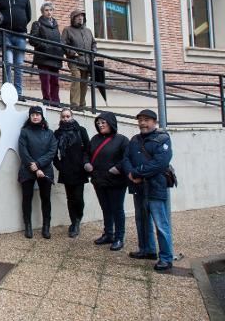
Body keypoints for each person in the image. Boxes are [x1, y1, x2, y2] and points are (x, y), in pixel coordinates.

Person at [122, 109, 175, 271]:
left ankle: (166, 258)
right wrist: (130, 173)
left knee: (161, 224)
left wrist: (137, 173)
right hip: (138, 187)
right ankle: (147, 250)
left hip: (156, 187)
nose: (143, 123)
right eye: (140, 120)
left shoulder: (163, 139)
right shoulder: (134, 140)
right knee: (141, 220)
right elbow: (126, 159)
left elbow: (160, 163)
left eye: (147, 120)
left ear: (154, 122)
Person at [84, 112, 129, 251]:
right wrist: (86, 163)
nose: (100, 125)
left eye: (103, 123)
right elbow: (86, 154)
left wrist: (118, 168)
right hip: (99, 180)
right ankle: (108, 234)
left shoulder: (122, 140)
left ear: (111, 123)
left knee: (117, 209)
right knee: (106, 209)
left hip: (116, 181)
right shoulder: (95, 139)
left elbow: (127, 158)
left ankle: (119, 237)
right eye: (98, 123)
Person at [18, 106, 58, 239]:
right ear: (29, 117)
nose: (35, 117)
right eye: (33, 114)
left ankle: (46, 227)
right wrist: (33, 166)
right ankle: (28, 226)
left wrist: (39, 165)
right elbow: (23, 151)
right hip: (27, 169)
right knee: (27, 198)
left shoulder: (49, 133)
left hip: (45, 169)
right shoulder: (24, 132)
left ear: (42, 116)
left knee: (46, 199)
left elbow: (52, 152)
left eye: (38, 114)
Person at [0, 0, 31, 100]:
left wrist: (21, 24)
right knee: (8, 63)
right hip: (5, 34)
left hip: (20, 34)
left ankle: (18, 93)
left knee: (19, 65)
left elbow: (28, 15)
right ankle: (8, 91)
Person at [53, 108, 90, 238]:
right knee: (70, 198)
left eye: (68, 116)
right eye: (63, 117)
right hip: (66, 170)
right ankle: (74, 222)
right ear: (60, 118)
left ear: (72, 116)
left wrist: (85, 164)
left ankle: (78, 217)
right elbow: (53, 153)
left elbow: (88, 149)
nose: (66, 119)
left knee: (78, 197)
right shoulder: (57, 133)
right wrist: (60, 166)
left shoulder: (81, 131)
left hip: (80, 170)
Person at [61, 9, 97, 110]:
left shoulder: (88, 31)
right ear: (73, 19)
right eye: (78, 16)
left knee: (84, 83)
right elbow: (62, 44)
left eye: (82, 16)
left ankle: (82, 105)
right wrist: (72, 52)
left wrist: (93, 52)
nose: (80, 18)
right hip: (74, 60)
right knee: (76, 78)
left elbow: (94, 43)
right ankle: (74, 104)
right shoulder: (67, 30)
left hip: (87, 61)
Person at [30, 1, 64, 105]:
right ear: (42, 12)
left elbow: (59, 41)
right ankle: (47, 100)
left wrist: (61, 50)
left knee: (55, 82)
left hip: (55, 57)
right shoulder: (37, 24)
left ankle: (55, 102)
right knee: (45, 81)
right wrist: (45, 46)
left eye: (51, 10)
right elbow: (32, 40)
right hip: (43, 57)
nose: (49, 12)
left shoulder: (56, 25)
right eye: (46, 10)